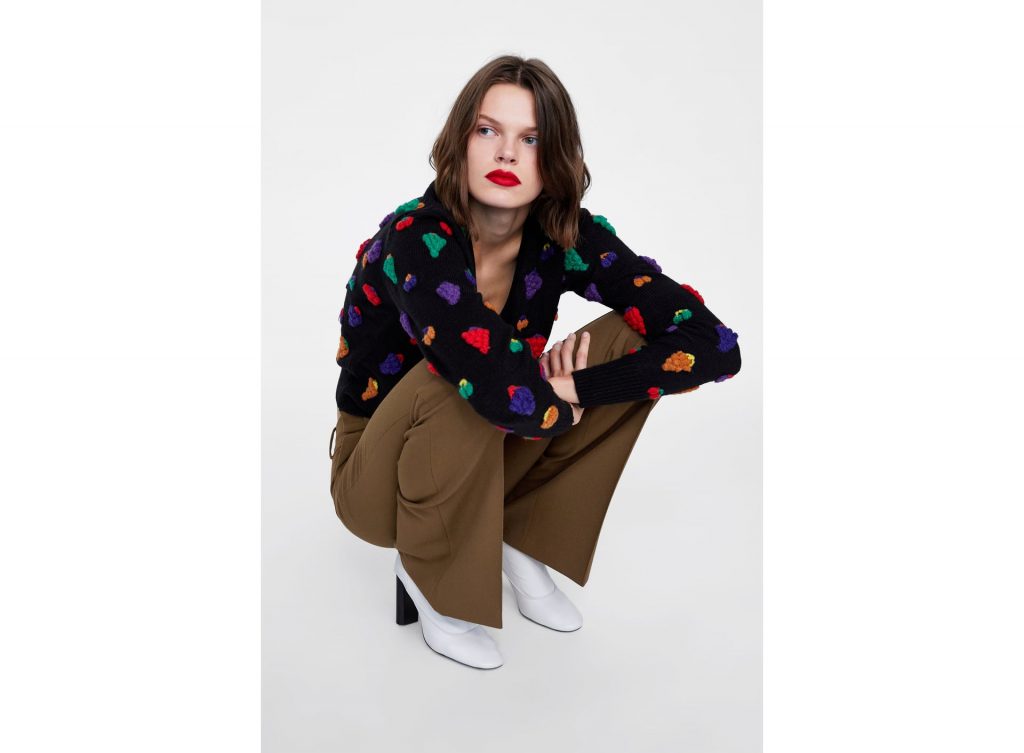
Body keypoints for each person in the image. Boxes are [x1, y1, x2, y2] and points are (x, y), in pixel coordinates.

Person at [329, 55, 742, 670]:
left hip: (499, 434)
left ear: (557, 159)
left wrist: (578, 387)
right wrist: (553, 401)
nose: (507, 154)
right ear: (459, 140)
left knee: (625, 342)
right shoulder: (415, 236)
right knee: (458, 373)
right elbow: (486, 380)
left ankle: (522, 532)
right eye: (488, 130)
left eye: (532, 139)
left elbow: (714, 344)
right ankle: (430, 571)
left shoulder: (563, 235)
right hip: (377, 476)